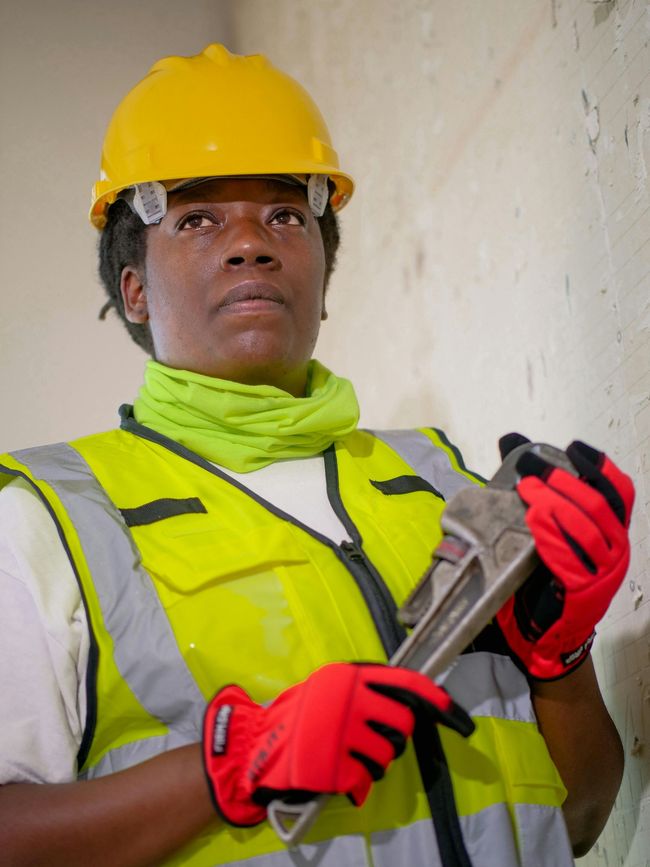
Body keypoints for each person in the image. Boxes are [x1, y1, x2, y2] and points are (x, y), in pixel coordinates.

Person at [0, 44, 634, 867]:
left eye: (286, 215)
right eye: (197, 219)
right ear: (132, 289)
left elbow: (580, 816)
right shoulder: (50, 523)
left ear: (325, 275)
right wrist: (233, 764)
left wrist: (561, 654)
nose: (250, 244)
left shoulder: (447, 488)